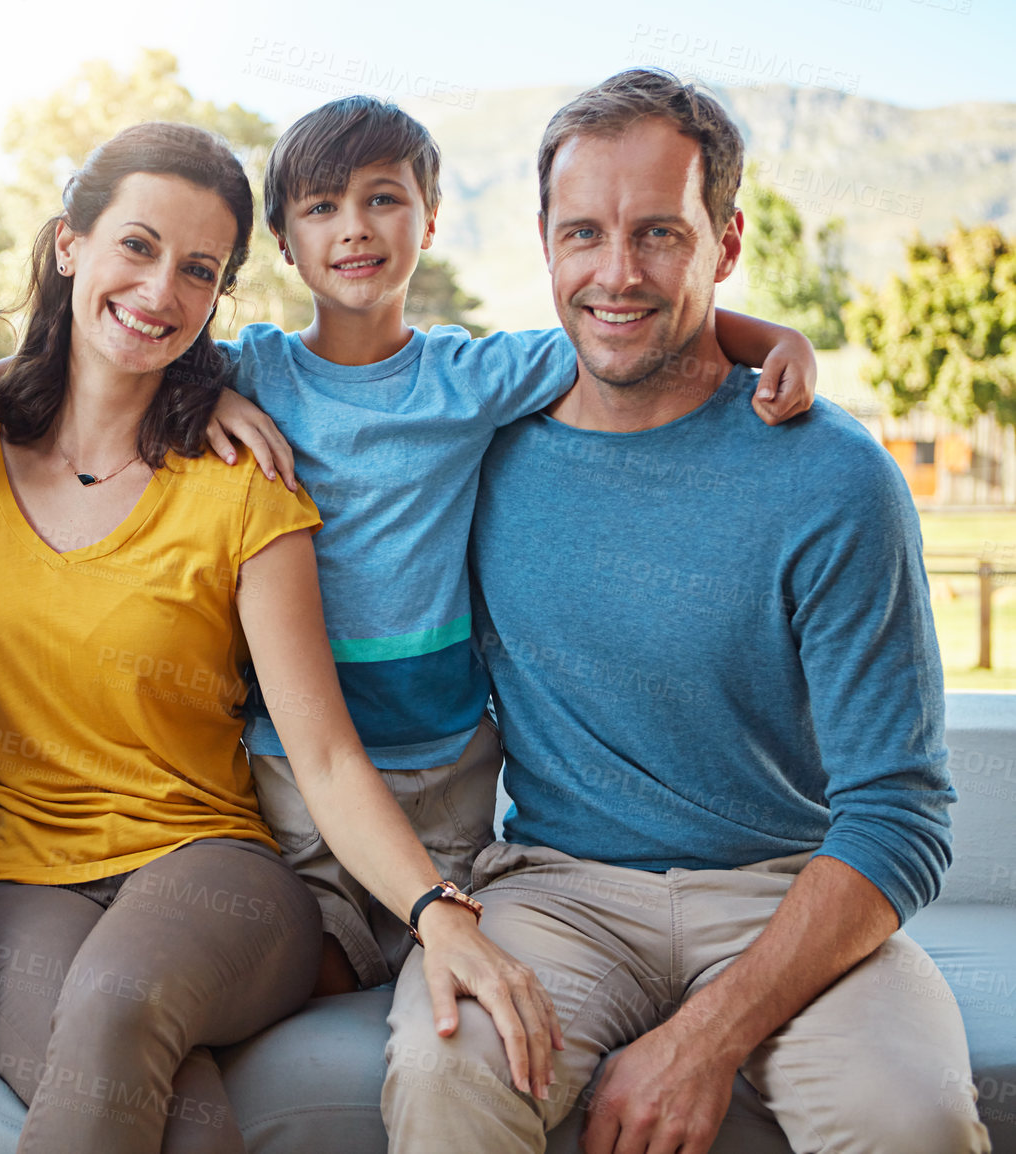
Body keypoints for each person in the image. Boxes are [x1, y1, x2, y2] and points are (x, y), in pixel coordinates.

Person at [0, 122, 562, 1154]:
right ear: (70, 245)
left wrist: (437, 909)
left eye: (197, 269)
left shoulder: (246, 486)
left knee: (115, 998)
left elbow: (324, 754)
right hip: (14, 874)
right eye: (138, 247)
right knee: (177, 1114)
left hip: (218, 871)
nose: (160, 291)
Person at [0, 95, 817, 1005]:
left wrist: (775, 339)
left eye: (383, 201)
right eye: (320, 208)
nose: (354, 230)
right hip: (294, 756)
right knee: (311, 955)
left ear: (429, 219)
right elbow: (82, 363)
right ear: (282, 243)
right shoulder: (248, 369)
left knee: (437, 950)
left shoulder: (474, 375)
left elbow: (626, 323)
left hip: (447, 758)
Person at [381, 69, 992, 1153]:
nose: (615, 274)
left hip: (783, 887)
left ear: (727, 241)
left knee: (914, 1117)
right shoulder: (479, 442)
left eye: (659, 233)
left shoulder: (833, 477)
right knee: (446, 1076)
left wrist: (705, 1036)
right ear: (544, 241)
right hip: (556, 890)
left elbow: (900, 811)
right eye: (584, 234)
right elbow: (306, 385)